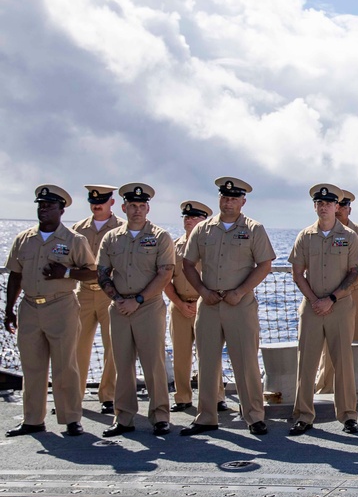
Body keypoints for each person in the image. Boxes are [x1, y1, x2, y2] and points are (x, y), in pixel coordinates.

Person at [180, 177, 276, 436]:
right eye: (225, 197)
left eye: (234, 198)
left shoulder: (254, 229)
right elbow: (188, 264)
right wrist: (202, 291)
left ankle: (254, 416)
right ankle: (206, 417)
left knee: (246, 363)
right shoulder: (203, 229)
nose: (229, 202)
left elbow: (265, 264)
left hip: (240, 305)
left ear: (243, 202)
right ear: (220, 199)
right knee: (207, 363)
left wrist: (241, 291)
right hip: (209, 305)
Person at [4, 185, 96, 437]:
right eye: (40, 205)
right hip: (30, 307)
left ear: (61, 210)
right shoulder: (24, 239)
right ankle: (33, 419)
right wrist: (9, 309)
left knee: (65, 365)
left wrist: (65, 272)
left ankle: (71, 419)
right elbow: (15, 274)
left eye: (49, 206)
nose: (43, 210)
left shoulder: (75, 240)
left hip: (61, 306)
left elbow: (92, 272)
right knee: (32, 366)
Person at [96, 183, 175, 437]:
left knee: (153, 364)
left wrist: (138, 300)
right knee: (122, 364)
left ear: (148, 208)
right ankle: (124, 417)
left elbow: (165, 273)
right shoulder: (111, 238)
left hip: (148, 308)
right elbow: (102, 272)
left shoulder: (160, 237)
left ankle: (160, 416)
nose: (137, 210)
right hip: (119, 307)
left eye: (142, 206)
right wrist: (117, 298)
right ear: (124, 207)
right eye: (132, 206)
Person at [287, 184, 358, 435]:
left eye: (329, 204)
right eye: (319, 204)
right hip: (311, 308)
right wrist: (314, 300)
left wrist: (331, 298)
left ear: (336, 207)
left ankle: (348, 415)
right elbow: (297, 273)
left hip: (340, 306)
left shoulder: (350, 237)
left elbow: (355, 272)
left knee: (343, 362)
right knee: (306, 363)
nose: (324, 207)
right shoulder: (305, 236)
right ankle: (303, 415)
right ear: (315, 207)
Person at [162, 200, 227, 413]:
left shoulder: (212, 246)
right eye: (186, 217)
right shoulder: (173, 246)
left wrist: (204, 302)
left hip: (205, 306)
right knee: (181, 354)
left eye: (194, 217)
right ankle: (182, 397)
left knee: (209, 354)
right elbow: (165, 280)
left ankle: (217, 397)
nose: (189, 220)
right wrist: (179, 304)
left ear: (204, 220)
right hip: (179, 306)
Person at [315, 189, 358, 393]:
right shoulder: (321, 232)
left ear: (349, 209)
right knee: (328, 344)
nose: (339, 209)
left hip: (356, 293)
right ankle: (327, 387)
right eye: (336, 205)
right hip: (328, 295)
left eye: (343, 206)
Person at [71, 184, 121, 414]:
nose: (96, 204)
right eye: (93, 200)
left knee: (113, 347)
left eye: (101, 200)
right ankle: (73, 396)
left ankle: (108, 396)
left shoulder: (121, 228)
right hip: (83, 293)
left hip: (109, 294)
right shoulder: (77, 229)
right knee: (76, 345)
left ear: (111, 202)